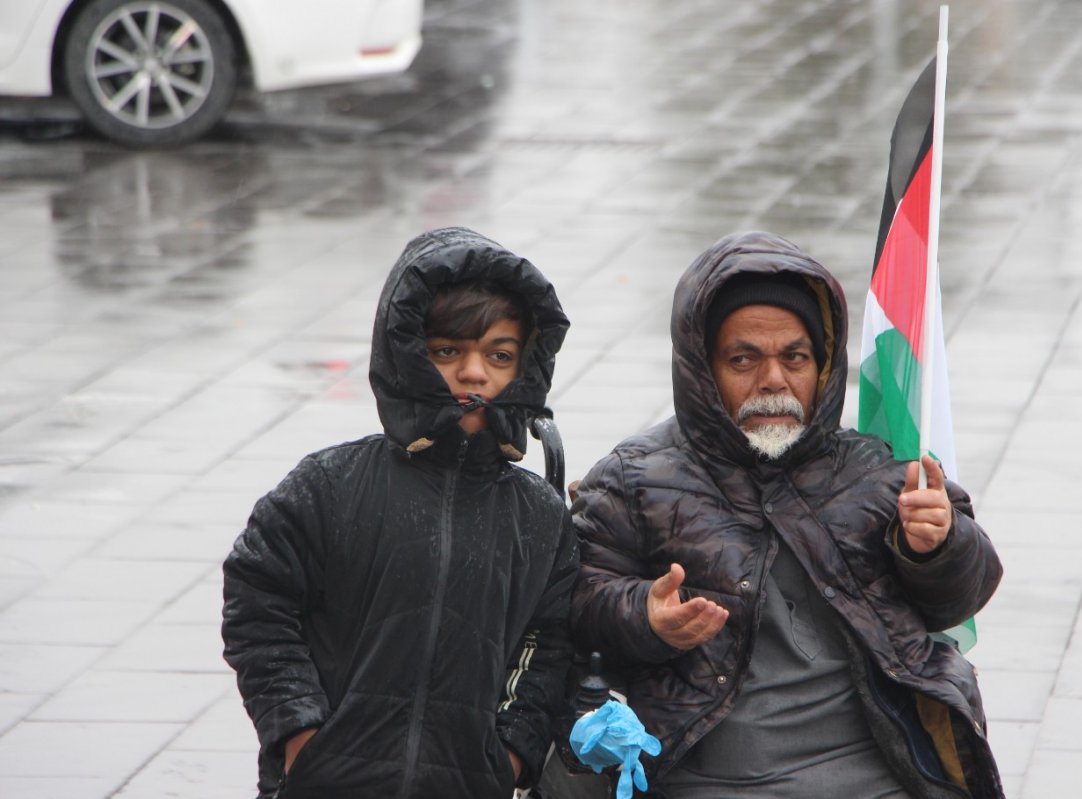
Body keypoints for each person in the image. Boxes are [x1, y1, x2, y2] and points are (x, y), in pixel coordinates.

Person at [570, 230, 1004, 798]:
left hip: (878, 771)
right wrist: (645, 616)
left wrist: (937, 547)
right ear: (702, 370)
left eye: (794, 357)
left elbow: (961, 598)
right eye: (744, 359)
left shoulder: (877, 471)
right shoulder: (633, 479)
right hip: (710, 777)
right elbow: (576, 604)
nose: (773, 380)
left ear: (822, 368)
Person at [222, 227, 578, 799]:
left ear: (525, 367)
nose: (474, 373)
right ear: (407, 354)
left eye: (500, 355)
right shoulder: (329, 486)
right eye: (447, 351)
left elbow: (550, 643)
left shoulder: (539, 516)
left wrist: (511, 755)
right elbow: (258, 602)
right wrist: (299, 733)